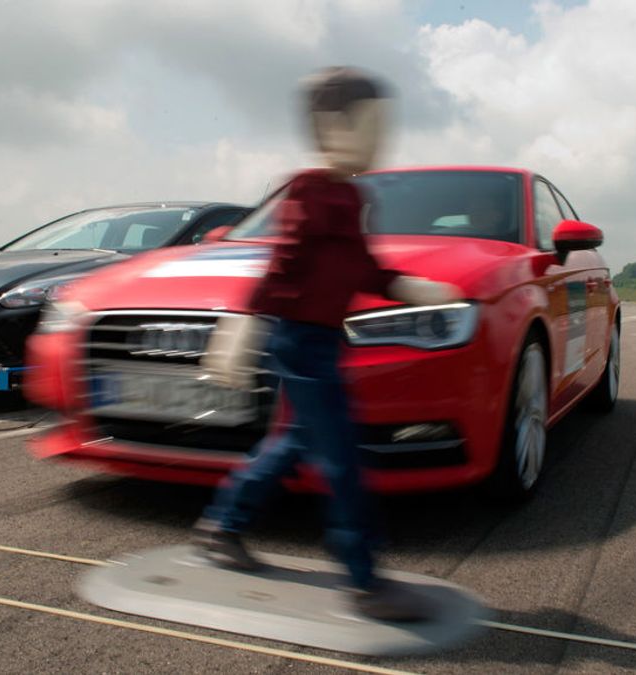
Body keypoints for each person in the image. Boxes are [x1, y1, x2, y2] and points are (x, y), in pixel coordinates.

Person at [194, 66, 461, 622]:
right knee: (342, 454)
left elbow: (361, 266)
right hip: (297, 340)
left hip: (322, 342)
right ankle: (364, 580)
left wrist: (410, 286)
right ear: (330, 126)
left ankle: (221, 526)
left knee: (291, 444)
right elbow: (282, 264)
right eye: (371, 126)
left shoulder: (353, 196)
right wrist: (242, 326)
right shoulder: (309, 191)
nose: (380, 139)